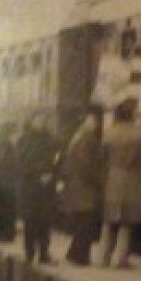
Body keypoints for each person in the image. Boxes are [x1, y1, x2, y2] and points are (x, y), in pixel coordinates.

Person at [98, 100, 141, 269]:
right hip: (133, 181)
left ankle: (103, 258)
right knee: (127, 222)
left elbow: (101, 157)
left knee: (109, 220)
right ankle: (120, 259)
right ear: (132, 115)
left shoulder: (108, 134)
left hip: (113, 180)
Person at [14, 112, 60, 265]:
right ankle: (30, 252)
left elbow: (57, 158)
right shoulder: (24, 140)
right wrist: (38, 175)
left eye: (43, 119)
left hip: (46, 187)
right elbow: (21, 163)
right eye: (38, 119)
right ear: (32, 121)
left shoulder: (50, 139)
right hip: (30, 187)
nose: (41, 122)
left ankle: (44, 252)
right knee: (31, 221)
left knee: (45, 221)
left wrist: (52, 173)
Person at [59, 111, 102, 265]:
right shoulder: (88, 139)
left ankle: (74, 254)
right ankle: (80, 257)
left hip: (75, 185)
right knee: (86, 223)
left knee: (81, 222)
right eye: (92, 121)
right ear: (85, 123)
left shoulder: (76, 137)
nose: (95, 124)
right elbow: (86, 164)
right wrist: (97, 181)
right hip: (84, 187)